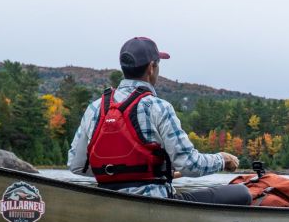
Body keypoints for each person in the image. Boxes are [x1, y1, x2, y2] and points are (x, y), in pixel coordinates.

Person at [68, 37, 250, 205]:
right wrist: (222, 159)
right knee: (242, 193)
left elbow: (76, 166)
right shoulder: (159, 107)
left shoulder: (94, 108)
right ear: (151, 67)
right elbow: (190, 165)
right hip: (155, 204)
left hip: (109, 202)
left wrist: (120, 173)